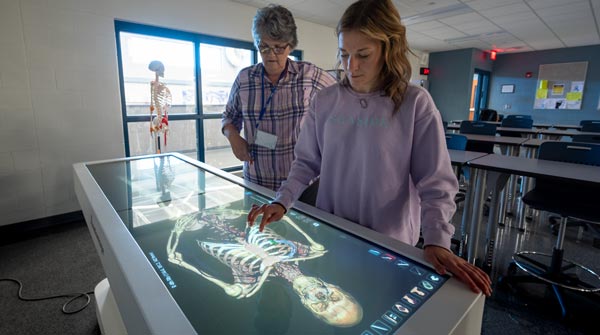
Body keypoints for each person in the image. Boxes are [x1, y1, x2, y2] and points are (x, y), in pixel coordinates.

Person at [247, 0, 492, 296]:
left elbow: (435, 182)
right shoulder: (326, 101)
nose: (351, 66)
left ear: (389, 50)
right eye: (344, 54)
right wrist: (282, 201)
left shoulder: (414, 103)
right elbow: (306, 163)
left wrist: (437, 238)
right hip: (332, 235)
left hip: (389, 243)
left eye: (363, 55)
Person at [222, 4, 336, 191]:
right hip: (256, 182)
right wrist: (232, 135)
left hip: (301, 188)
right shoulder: (244, 79)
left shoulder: (310, 76)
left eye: (278, 48)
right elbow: (228, 116)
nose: (271, 55)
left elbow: (345, 97)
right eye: (264, 47)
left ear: (290, 46)